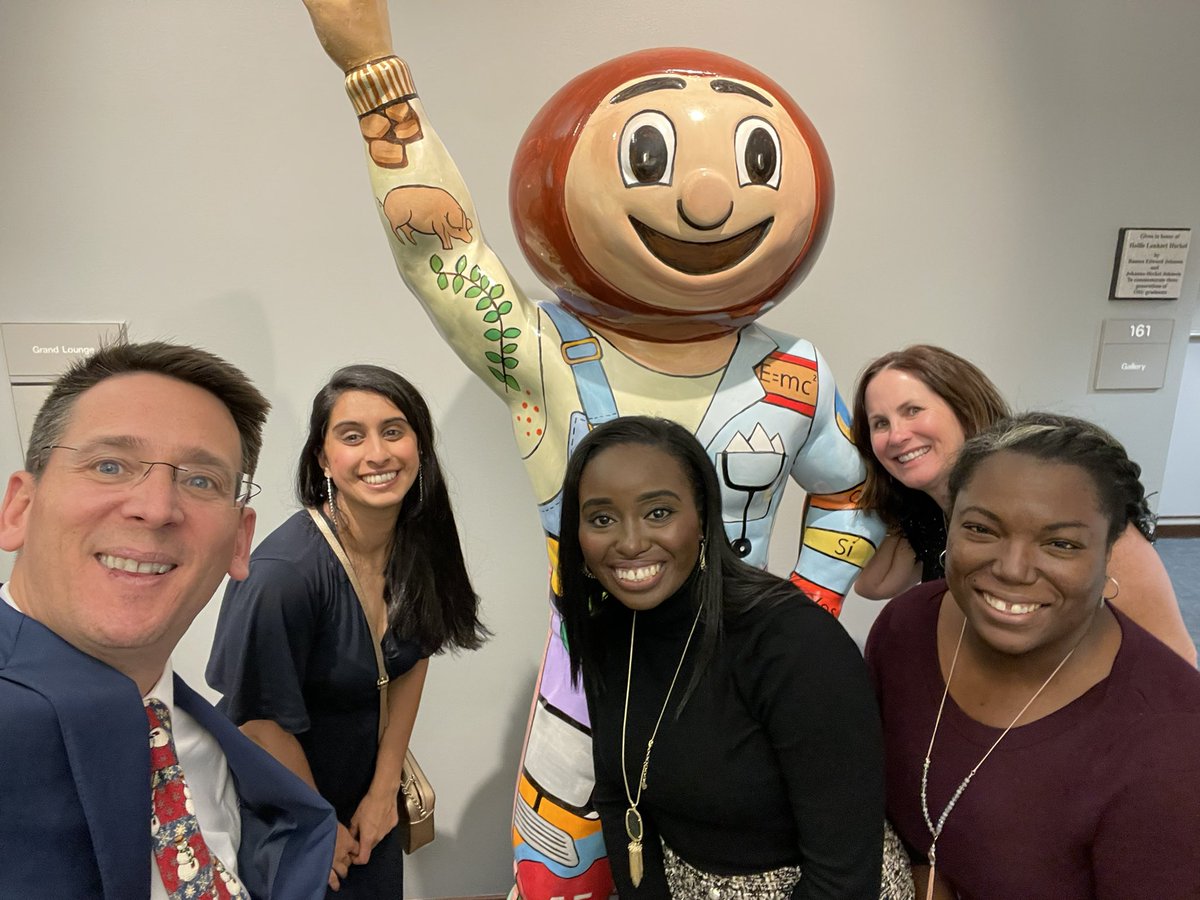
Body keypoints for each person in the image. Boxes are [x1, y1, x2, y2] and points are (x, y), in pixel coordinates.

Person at [299, 4, 884, 893]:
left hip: (740, 680)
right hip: (586, 678)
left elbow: (850, 492)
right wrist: (375, 78)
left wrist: (803, 612)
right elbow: (442, 254)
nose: (707, 200)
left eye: (753, 161)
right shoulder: (547, 351)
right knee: (563, 875)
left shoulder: (793, 369)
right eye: (651, 157)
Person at [0, 341, 336, 898]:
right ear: (19, 509)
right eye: (109, 466)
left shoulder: (217, 754)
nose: (156, 508)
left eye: (201, 480)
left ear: (239, 542)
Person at [555, 416, 906, 899]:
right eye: (601, 519)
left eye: (658, 512)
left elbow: (843, 877)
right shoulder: (609, 632)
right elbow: (620, 798)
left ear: (703, 516)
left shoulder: (794, 642)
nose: (630, 543)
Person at [867, 413, 1200, 898]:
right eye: (982, 529)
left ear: (1110, 552)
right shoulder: (907, 628)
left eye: (1060, 543)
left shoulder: (1172, 741)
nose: (1013, 569)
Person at [207, 364, 487, 898]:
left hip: (366, 802)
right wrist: (317, 822)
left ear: (420, 446)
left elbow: (413, 658)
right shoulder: (283, 575)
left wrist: (383, 790)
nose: (377, 454)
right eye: (352, 436)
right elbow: (259, 721)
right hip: (282, 807)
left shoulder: (419, 543)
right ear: (323, 458)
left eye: (393, 431)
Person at [851, 344, 1196, 664]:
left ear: (964, 408)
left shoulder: (1069, 503)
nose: (897, 435)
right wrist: (855, 479)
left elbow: (1175, 660)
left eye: (912, 411)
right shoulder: (930, 511)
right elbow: (872, 584)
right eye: (880, 423)